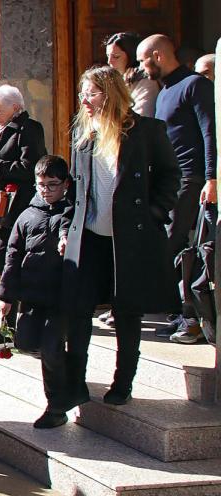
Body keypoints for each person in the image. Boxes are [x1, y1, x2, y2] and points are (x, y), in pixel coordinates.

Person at [64, 65, 180, 406]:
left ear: (111, 94)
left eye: (92, 93)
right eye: (83, 93)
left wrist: (154, 213)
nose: (84, 100)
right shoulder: (83, 135)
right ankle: (76, 383)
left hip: (129, 238)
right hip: (90, 237)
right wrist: (67, 228)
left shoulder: (146, 131)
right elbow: (76, 189)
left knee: (127, 312)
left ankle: (122, 383)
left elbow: (171, 176)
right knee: (79, 310)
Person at [137, 34, 217, 344]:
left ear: (158, 55)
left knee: (177, 243)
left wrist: (211, 178)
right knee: (167, 244)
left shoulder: (195, 85)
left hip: (191, 178)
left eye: (143, 60)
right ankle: (181, 314)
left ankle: (192, 318)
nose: (141, 68)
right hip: (170, 179)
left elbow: (209, 132)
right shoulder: (165, 91)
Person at [0, 155, 75, 429]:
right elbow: (13, 256)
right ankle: (60, 369)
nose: (46, 190)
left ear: (65, 184)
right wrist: (6, 295)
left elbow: (70, 233)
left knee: (52, 348)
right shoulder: (27, 215)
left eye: (53, 185)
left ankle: (56, 408)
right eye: (42, 185)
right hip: (32, 295)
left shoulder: (71, 213)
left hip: (61, 297)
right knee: (27, 343)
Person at [0, 84, 47, 349]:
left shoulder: (29, 129)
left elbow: (30, 168)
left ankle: (15, 325)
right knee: (5, 263)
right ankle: (13, 326)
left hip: (21, 208)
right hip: (4, 210)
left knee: (4, 261)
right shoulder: (1, 130)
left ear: (16, 108)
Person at [105, 32, 160, 117]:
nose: (109, 62)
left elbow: (142, 116)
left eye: (116, 56)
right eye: (108, 56)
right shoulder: (115, 80)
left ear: (131, 57)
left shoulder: (146, 82)